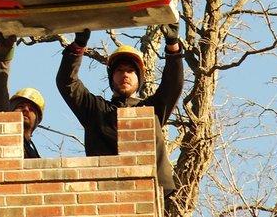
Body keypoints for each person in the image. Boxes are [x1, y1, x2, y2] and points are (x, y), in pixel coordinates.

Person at [56, 25, 183, 195]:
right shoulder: (96, 110)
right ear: (112, 77)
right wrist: (78, 46)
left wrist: (173, 47)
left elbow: (172, 85)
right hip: (107, 195)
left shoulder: (151, 109)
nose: (125, 74)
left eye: (131, 71)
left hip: (151, 195)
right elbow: (67, 83)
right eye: (120, 70)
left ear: (139, 79)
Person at [0, 29, 45, 217]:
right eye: (20, 105)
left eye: (31, 108)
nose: (25, 109)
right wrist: (4, 54)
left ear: (37, 121)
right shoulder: (1, 135)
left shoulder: (34, 155)